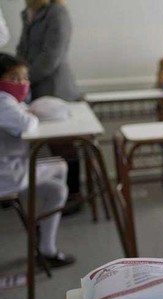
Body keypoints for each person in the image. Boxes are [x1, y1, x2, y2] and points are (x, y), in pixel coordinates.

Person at [0, 53, 75, 268]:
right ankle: (47, 247)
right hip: (8, 176)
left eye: (24, 78)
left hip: (11, 169)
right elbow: (26, 123)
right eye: (14, 78)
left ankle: (42, 224)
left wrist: (28, 112)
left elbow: (22, 113)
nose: (22, 83)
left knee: (59, 169)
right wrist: (32, 116)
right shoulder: (3, 102)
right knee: (58, 189)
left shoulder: (8, 101)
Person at [16, 0, 82, 213]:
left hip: (56, 89)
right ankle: (56, 192)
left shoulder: (57, 13)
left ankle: (73, 194)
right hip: (33, 88)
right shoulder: (28, 13)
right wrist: (16, 76)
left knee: (62, 145)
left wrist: (22, 80)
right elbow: (22, 51)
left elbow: (51, 57)